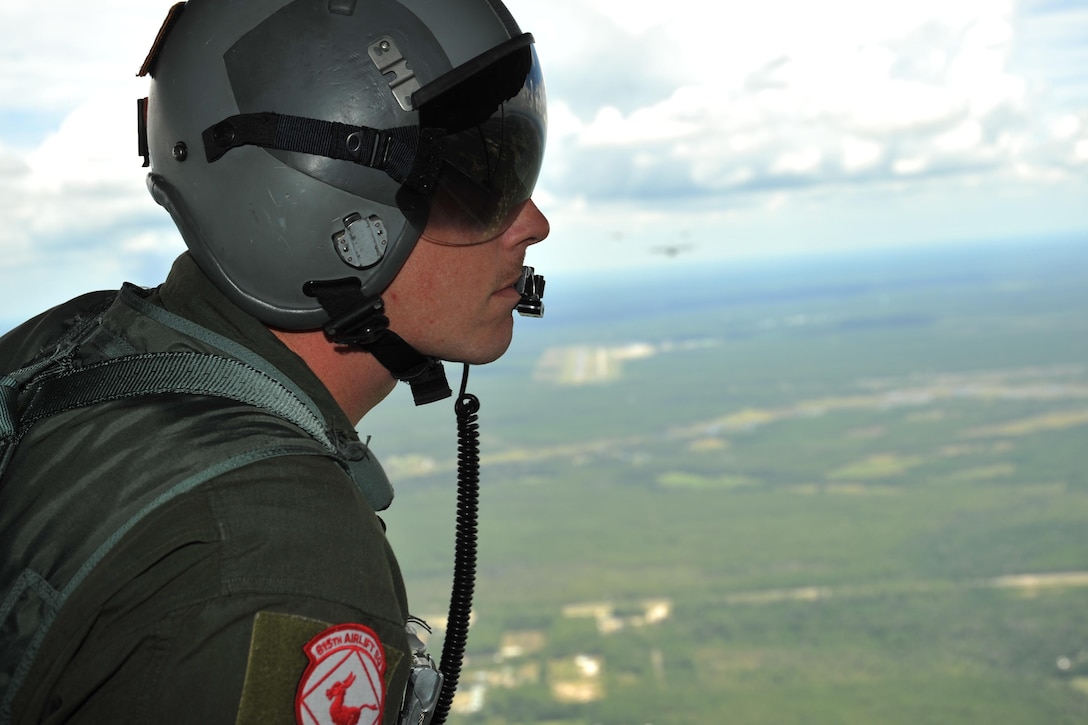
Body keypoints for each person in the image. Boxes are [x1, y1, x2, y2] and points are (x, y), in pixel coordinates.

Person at [0, 0, 549, 723]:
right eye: (474, 185)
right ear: (321, 212)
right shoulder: (279, 555)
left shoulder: (66, 353)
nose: (534, 224)